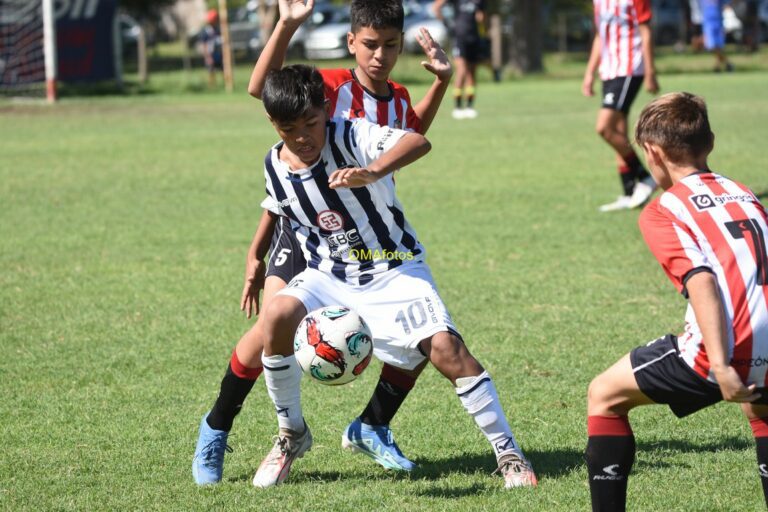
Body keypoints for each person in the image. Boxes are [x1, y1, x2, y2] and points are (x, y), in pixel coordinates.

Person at [193, 0, 455, 485]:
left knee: (414, 331)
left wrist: (441, 82)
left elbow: (411, 136)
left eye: (390, 45)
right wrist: (288, 24)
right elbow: (261, 90)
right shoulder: (329, 86)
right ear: (352, 40)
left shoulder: (397, 96)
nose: (380, 55)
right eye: (370, 44)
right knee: (266, 335)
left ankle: (373, 425)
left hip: (366, 232)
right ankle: (218, 429)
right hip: (304, 229)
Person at [246, 64, 536, 489]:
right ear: (274, 124)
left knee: (446, 349)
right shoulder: (274, 165)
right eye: (291, 129)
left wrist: (374, 171)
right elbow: (280, 210)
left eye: (311, 122)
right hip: (330, 273)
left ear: (325, 109)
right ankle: (292, 434)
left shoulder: (350, 133)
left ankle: (508, 452)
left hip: (392, 267)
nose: (304, 136)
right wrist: (256, 257)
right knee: (275, 316)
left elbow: (418, 141)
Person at [586, 92, 768, 511]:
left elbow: (701, 279)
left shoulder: (663, 209)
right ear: (712, 142)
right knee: (760, 409)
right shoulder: (743, 192)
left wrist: (721, 366)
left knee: (604, 395)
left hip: (722, 351)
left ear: (652, 152)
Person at [582, 0, 660, 213]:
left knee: (604, 128)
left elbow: (646, 32)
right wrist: (589, 72)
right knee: (618, 132)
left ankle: (645, 177)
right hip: (609, 69)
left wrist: (650, 71)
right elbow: (600, 35)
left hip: (630, 67)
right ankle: (629, 191)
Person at [433, 0, 487, 120]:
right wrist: (447, 24)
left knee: (472, 72)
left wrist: (483, 33)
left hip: (474, 38)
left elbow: (482, 17)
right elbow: (436, 7)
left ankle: (469, 107)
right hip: (460, 37)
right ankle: (457, 107)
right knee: (461, 70)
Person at [700, 0, 734, 72]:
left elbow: (728, 4)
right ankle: (727, 64)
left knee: (718, 46)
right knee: (711, 46)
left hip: (719, 22)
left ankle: (718, 66)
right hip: (708, 23)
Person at [199, 9, 223, 88]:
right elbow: (204, 45)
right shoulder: (205, 31)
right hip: (210, 54)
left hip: (219, 54)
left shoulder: (219, 29)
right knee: (211, 70)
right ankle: (212, 86)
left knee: (223, 69)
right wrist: (208, 57)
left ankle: (225, 84)